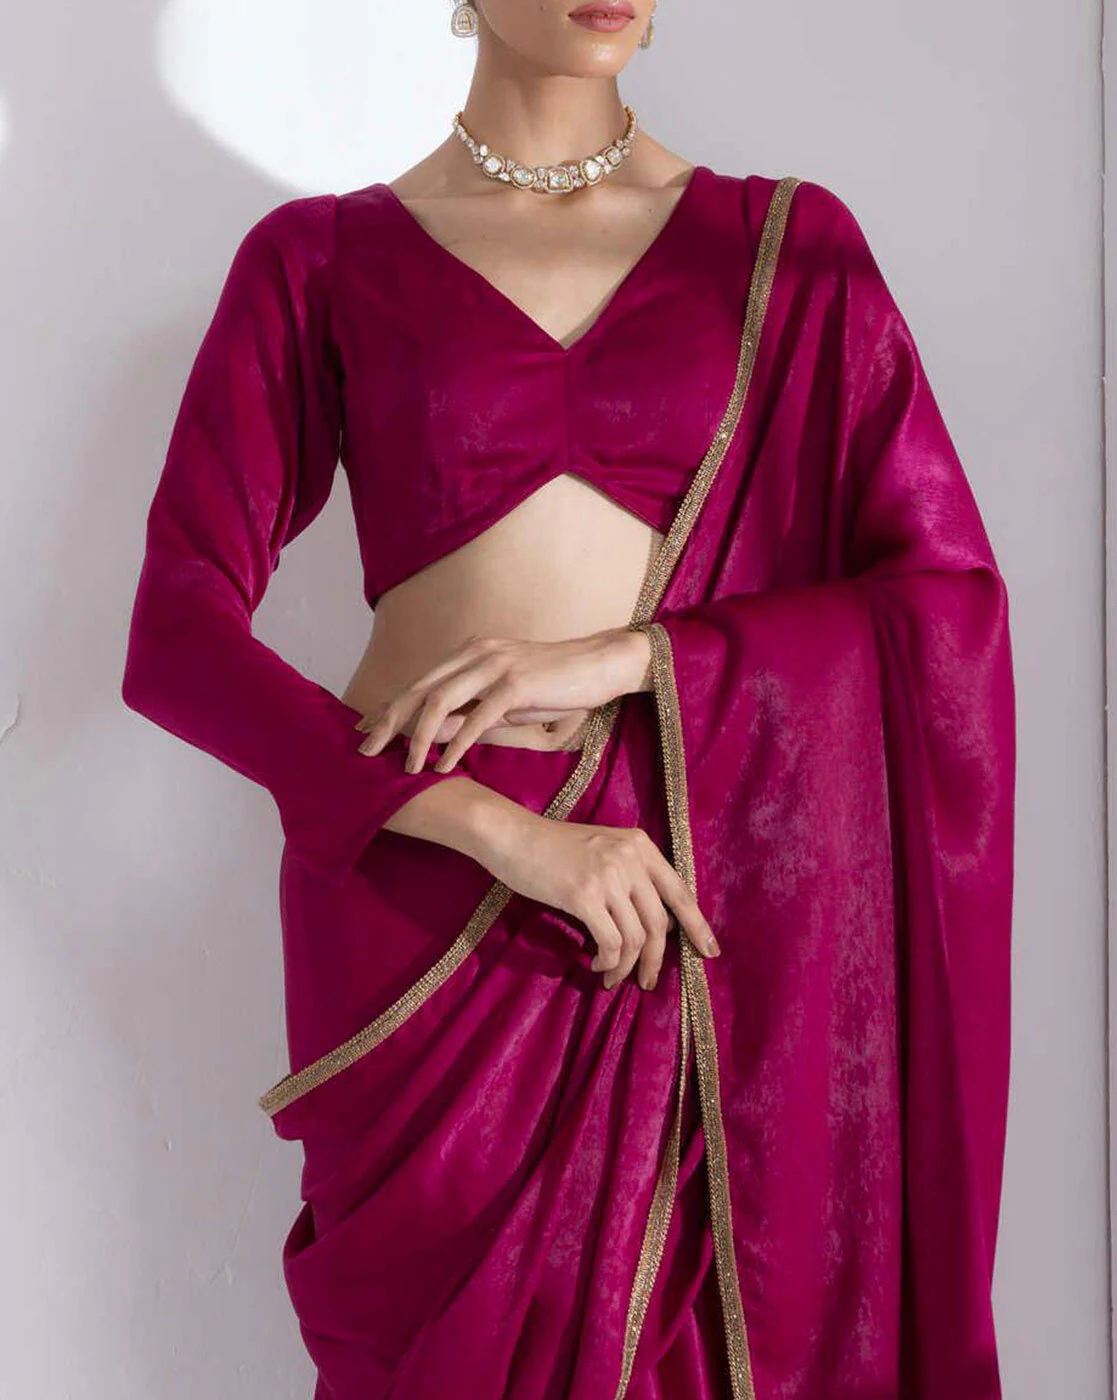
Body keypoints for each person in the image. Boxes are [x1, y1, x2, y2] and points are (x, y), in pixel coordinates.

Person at [120, 2, 1016, 1396]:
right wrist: (493, 828)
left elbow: (945, 607)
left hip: (678, 897)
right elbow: (175, 634)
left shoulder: (788, 253)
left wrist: (636, 658)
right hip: (428, 905)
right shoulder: (321, 260)